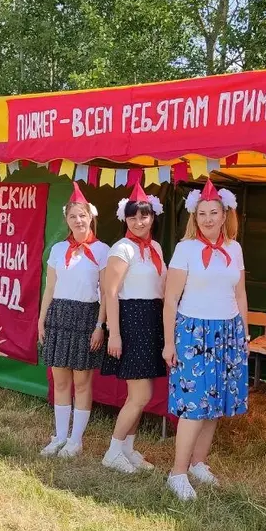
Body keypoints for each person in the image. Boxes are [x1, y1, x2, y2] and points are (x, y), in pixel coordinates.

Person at [163, 179, 249, 501]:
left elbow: (239, 292)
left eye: (214, 213)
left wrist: (244, 331)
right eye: (202, 214)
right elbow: (170, 299)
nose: (209, 219)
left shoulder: (235, 248)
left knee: (214, 404)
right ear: (194, 217)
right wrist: (169, 343)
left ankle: (199, 463)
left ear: (225, 214)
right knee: (195, 406)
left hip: (227, 331)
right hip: (193, 332)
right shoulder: (185, 249)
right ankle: (177, 472)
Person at [37, 183, 109, 458]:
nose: (78, 221)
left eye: (82, 215)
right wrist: (42, 320)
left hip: (86, 316)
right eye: (72, 217)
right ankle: (60, 436)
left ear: (91, 216)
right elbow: (50, 288)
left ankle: (76, 440)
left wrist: (99, 326)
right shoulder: (57, 250)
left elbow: (105, 292)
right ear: (66, 220)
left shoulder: (103, 250)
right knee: (60, 381)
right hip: (59, 315)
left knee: (82, 382)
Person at [101, 182, 167, 473]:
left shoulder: (155, 247)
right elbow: (111, 292)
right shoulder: (121, 248)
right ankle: (113, 451)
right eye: (133, 217)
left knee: (143, 394)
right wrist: (113, 333)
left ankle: (127, 448)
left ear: (153, 216)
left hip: (152, 318)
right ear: (125, 220)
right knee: (139, 395)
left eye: (144, 216)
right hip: (132, 320)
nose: (139, 222)